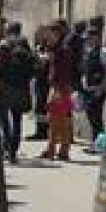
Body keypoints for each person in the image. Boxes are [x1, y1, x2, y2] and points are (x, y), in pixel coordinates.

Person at [0, 22, 35, 163]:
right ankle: (14, 151)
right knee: (17, 120)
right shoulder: (24, 44)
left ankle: (8, 148)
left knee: (4, 119)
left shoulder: (3, 44)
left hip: (5, 86)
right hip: (21, 86)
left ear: (7, 30)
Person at [41, 21, 75, 161]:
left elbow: (63, 72)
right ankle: (58, 149)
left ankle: (56, 150)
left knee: (58, 120)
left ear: (57, 33)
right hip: (57, 86)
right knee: (58, 119)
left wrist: (59, 90)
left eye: (50, 33)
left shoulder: (62, 50)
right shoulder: (56, 49)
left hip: (60, 87)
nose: (48, 35)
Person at [80, 23, 106, 148]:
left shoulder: (102, 52)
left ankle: (100, 145)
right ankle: (96, 143)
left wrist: (101, 88)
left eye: (90, 38)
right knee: (92, 117)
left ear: (96, 37)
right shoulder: (89, 52)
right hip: (89, 89)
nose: (88, 40)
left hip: (97, 90)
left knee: (97, 118)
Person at [28, 24, 51, 140]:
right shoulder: (38, 47)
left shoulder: (48, 46)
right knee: (38, 107)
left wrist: (40, 58)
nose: (37, 35)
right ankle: (40, 130)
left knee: (44, 106)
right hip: (39, 80)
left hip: (46, 81)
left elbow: (46, 61)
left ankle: (45, 131)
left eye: (40, 33)